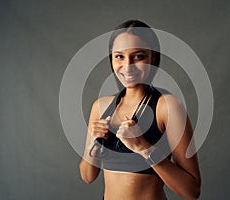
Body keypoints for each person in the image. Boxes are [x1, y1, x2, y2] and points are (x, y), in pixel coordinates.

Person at [79, 19, 201, 200]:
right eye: (119, 56)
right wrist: (93, 145)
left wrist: (144, 147)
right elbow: (88, 176)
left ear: (153, 58)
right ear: (111, 59)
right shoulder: (101, 107)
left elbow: (192, 191)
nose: (127, 66)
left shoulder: (167, 106)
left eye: (138, 56)